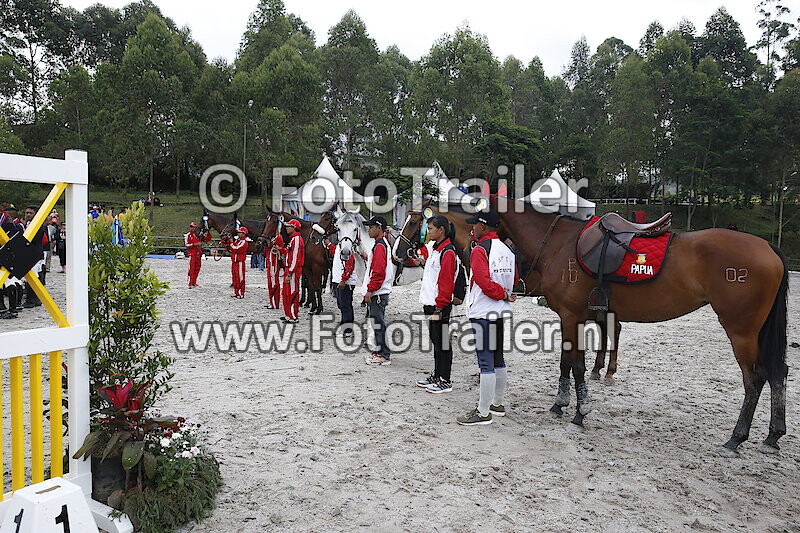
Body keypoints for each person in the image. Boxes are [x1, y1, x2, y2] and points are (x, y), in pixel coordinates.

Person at [457, 209, 517, 426]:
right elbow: (515, 277)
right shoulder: (508, 250)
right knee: (498, 355)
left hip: (483, 309)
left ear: (483, 227)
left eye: (475, 225)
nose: (472, 228)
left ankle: (483, 412)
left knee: (485, 360)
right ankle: (497, 403)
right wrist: (506, 294)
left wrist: (500, 293)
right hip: (501, 310)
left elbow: (482, 280)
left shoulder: (480, 249)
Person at [416, 215, 459, 393]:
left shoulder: (447, 252)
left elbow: (446, 282)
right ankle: (437, 374)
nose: (428, 231)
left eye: (431, 228)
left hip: (438, 305)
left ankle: (445, 379)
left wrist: (440, 307)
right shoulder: (436, 249)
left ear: (441, 230)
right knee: (436, 340)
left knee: (442, 342)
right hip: (430, 302)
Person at [362, 216, 394, 366]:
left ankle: (383, 354)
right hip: (379, 291)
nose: (369, 229)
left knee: (378, 322)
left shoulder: (380, 246)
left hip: (378, 292)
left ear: (379, 228)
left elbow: (378, 272)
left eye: (371, 226)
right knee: (377, 322)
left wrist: (370, 290)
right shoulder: (380, 245)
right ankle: (380, 351)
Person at [332, 238, 358, 337]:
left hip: (345, 282)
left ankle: (348, 329)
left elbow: (349, 265)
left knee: (345, 305)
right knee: (342, 304)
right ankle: (344, 324)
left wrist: (343, 279)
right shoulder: (339, 247)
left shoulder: (347, 249)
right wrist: (329, 244)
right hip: (338, 280)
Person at [282, 219, 304, 323]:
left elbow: (295, 258)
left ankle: (293, 315)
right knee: (287, 292)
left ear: (294, 227)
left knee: (292, 292)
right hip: (290, 269)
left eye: (288, 226)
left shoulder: (296, 240)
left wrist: (290, 272)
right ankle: (289, 314)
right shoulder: (293, 239)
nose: (286, 228)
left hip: (293, 270)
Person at [185, 222, 211, 288]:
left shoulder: (199, 235)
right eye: (191, 227)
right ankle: (190, 283)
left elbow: (207, 239)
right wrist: (194, 244)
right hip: (192, 254)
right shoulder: (188, 235)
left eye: (193, 227)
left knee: (197, 269)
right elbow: (186, 245)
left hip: (198, 254)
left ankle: (194, 282)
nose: (192, 228)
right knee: (192, 269)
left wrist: (207, 232)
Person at [225, 227, 249, 298]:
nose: (238, 233)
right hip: (235, 262)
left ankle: (241, 293)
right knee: (235, 277)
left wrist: (232, 243)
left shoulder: (244, 242)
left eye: (240, 232)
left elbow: (236, 249)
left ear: (244, 234)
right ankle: (236, 292)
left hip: (240, 262)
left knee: (240, 277)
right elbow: (232, 248)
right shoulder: (238, 241)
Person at [266, 233, 284, 309]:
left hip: (274, 264)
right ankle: (272, 301)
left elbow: (279, 248)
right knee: (271, 283)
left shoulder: (279, 237)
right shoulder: (274, 237)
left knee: (273, 283)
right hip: (271, 264)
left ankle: (274, 303)